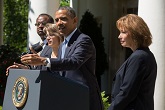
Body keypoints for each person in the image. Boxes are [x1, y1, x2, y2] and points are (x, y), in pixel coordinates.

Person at [21, 6, 104, 110]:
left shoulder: (83, 40)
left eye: (63, 19)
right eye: (57, 20)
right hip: (66, 99)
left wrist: (43, 60)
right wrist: (27, 70)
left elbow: (74, 62)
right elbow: (56, 71)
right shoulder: (62, 44)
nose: (59, 23)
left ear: (75, 20)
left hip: (83, 100)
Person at [108, 14, 157, 110]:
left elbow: (127, 92)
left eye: (123, 32)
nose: (119, 36)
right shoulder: (145, 55)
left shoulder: (139, 57)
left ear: (135, 33)